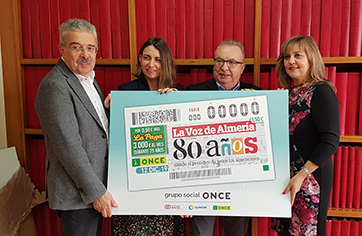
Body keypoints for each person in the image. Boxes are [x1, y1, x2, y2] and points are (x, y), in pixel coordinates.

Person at [35, 18, 117, 236]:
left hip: (91, 192)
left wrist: (105, 110)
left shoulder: (87, 79)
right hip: (79, 195)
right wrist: (96, 192)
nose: (85, 54)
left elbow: (94, 130)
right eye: (76, 47)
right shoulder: (55, 86)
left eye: (90, 48)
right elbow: (69, 147)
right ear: (61, 49)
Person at [186, 39, 260, 236]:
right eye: (219, 61)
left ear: (242, 67)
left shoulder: (257, 96)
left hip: (240, 182)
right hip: (202, 181)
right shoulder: (192, 93)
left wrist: (260, 106)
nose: (224, 68)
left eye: (232, 62)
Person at [112, 37, 186, 236]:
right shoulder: (126, 91)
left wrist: (175, 103)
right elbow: (118, 137)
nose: (151, 64)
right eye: (146, 58)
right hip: (136, 177)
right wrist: (111, 109)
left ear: (166, 62)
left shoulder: (179, 91)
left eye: (158, 59)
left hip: (168, 181)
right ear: (140, 59)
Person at [271, 35, 340, 236]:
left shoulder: (322, 92)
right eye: (286, 56)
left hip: (310, 178)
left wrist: (301, 175)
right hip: (286, 177)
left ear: (311, 59)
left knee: (305, 230)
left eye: (297, 55)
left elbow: (330, 141)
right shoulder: (286, 94)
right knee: (286, 230)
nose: (290, 61)